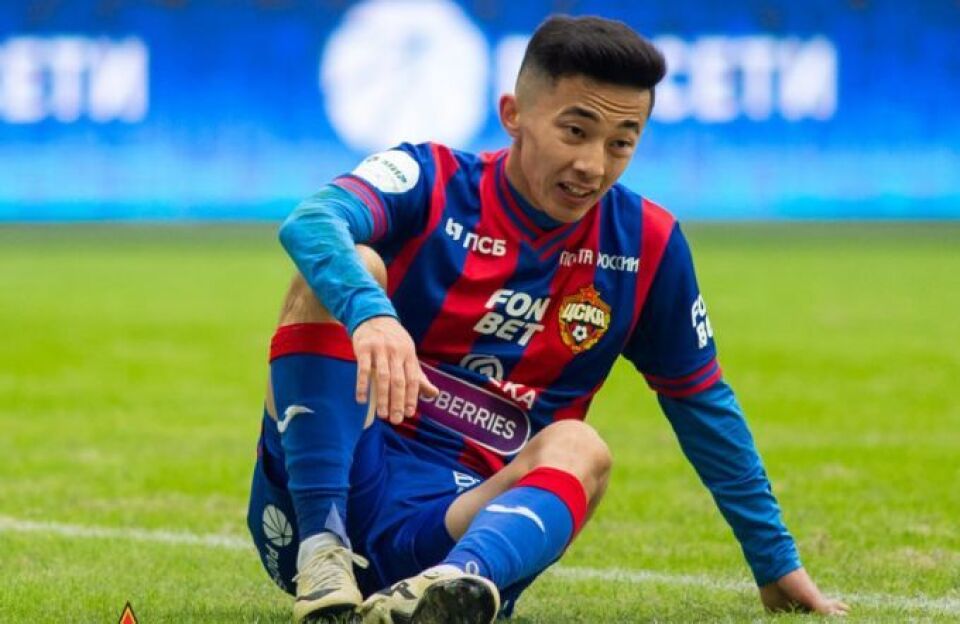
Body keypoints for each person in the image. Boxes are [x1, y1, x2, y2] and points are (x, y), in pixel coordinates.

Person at [246, 14, 849, 624]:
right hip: (328, 494)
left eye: (621, 143)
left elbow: (704, 406)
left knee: (582, 446)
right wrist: (372, 314)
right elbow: (313, 221)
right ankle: (324, 553)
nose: (593, 164)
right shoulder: (430, 179)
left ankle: (449, 589)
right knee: (348, 268)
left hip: (460, 525)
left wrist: (775, 564)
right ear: (513, 114)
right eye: (575, 131)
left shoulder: (646, 245)